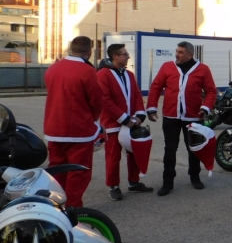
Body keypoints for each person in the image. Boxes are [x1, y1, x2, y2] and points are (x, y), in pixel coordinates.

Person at [147, 41, 218, 196]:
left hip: (193, 117)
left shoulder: (203, 69)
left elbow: (212, 91)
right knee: (170, 150)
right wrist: (151, 107)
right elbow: (156, 87)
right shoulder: (167, 66)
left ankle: (195, 177)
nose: (176, 54)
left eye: (180, 52)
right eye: (176, 51)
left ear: (190, 55)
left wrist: (205, 108)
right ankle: (167, 182)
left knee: (194, 149)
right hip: (170, 116)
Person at [43, 36, 103, 207]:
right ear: (90, 52)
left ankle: (54, 204)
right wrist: (92, 120)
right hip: (79, 131)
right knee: (78, 172)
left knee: (56, 170)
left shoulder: (53, 69)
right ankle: (73, 209)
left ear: (71, 48)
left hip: (54, 128)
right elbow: (96, 100)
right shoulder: (87, 71)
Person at [97, 44, 152, 200]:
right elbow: (105, 100)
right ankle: (113, 186)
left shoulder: (129, 74)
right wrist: (124, 119)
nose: (128, 57)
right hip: (113, 124)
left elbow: (136, 95)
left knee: (134, 153)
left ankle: (134, 183)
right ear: (115, 56)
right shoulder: (103, 75)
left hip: (131, 122)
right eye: (125, 54)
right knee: (113, 155)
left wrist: (140, 115)